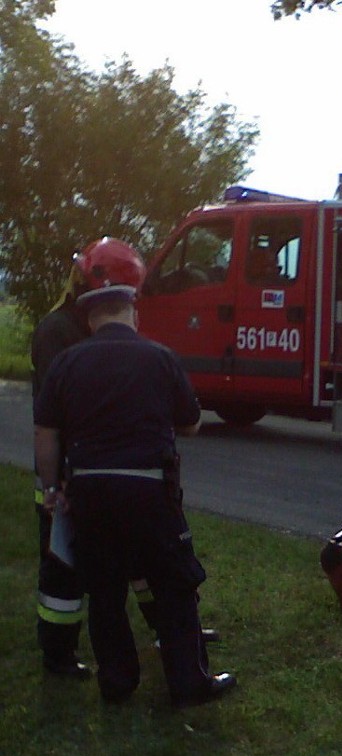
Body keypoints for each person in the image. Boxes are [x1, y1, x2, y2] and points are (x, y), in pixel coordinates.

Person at [33, 237, 236, 707]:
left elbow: (46, 434)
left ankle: (117, 683)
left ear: (89, 314)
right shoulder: (159, 357)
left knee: (105, 592)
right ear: (131, 309)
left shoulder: (66, 361)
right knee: (174, 586)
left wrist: (51, 488)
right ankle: (189, 683)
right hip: (150, 494)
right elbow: (190, 423)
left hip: (89, 494)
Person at [30, 263, 92, 677]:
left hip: (87, 466)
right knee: (62, 567)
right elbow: (54, 411)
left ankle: (171, 629)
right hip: (63, 472)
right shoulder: (57, 330)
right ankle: (58, 656)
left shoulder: (84, 326)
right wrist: (57, 482)